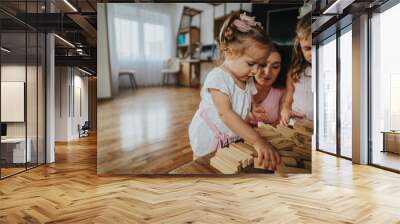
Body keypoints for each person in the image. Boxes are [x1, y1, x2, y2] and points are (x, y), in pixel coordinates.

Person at [188, 12, 281, 170]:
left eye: (260, 64)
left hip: (229, 135)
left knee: (223, 165)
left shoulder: (246, 78)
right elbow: (225, 113)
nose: (255, 70)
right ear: (229, 51)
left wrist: (252, 108)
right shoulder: (218, 78)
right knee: (203, 165)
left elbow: (245, 98)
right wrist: (257, 140)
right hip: (209, 133)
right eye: (251, 63)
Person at [280, 13, 313, 126]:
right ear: (300, 47)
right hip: (298, 124)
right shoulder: (295, 72)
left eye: (318, 46)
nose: (312, 53)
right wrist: (285, 109)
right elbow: (289, 98)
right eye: (307, 48)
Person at [248, 44, 288, 127]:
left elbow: (281, 122)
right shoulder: (240, 85)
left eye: (275, 66)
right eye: (262, 65)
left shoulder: (282, 91)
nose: (267, 72)